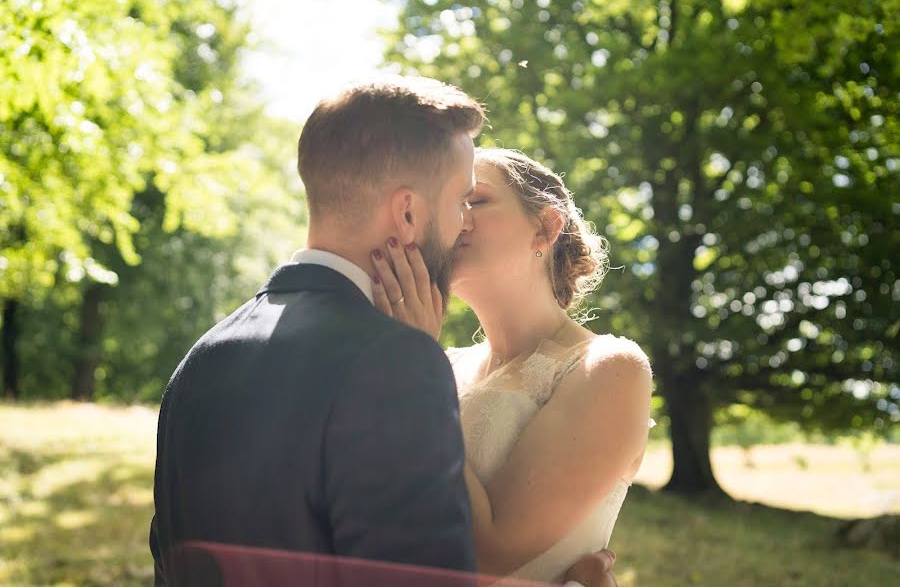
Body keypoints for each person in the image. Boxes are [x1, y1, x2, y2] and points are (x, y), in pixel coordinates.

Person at [150, 77, 619, 586]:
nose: (463, 221)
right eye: (462, 199)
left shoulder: (204, 355)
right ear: (408, 211)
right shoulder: (395, 363)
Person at [372, 148, 654, 583]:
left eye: (476, 200)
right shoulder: (441, 367)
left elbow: (489, 554)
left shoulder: (609, 368)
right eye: (447, 205)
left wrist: (413, 369)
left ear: (544, 227)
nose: (454, 218)